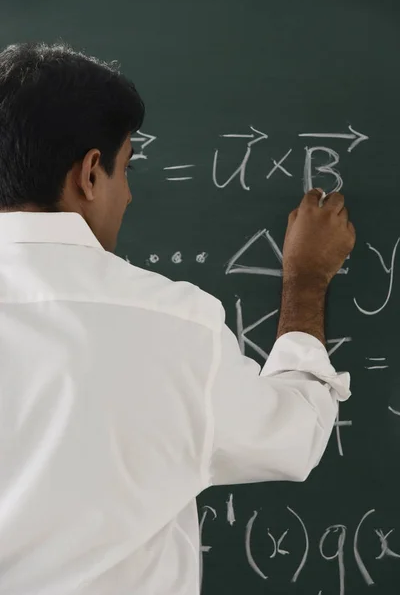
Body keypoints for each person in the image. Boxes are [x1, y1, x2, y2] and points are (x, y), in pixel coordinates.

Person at [0, 42, 355, 594]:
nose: (131, 195)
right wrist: (306, 281)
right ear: (90, 173)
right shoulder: (172, 324)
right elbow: (294, 436)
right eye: (127, 170)